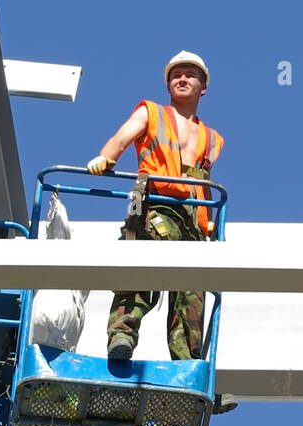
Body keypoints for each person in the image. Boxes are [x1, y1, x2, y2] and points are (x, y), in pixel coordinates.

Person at [88, 51, 224, 363]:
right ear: (168, 85)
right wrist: (105, 158)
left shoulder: (212, 139)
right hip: (156, 210)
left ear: (203, 87)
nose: (182, 79)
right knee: (139, 273)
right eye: (176, 75)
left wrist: (208, 222)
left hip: (193, 225)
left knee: (191, 297)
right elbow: (120, 140)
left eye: (190, 74)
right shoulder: (151, 113)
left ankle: (189, 365)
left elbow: (202, 182)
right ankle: (122, 337)